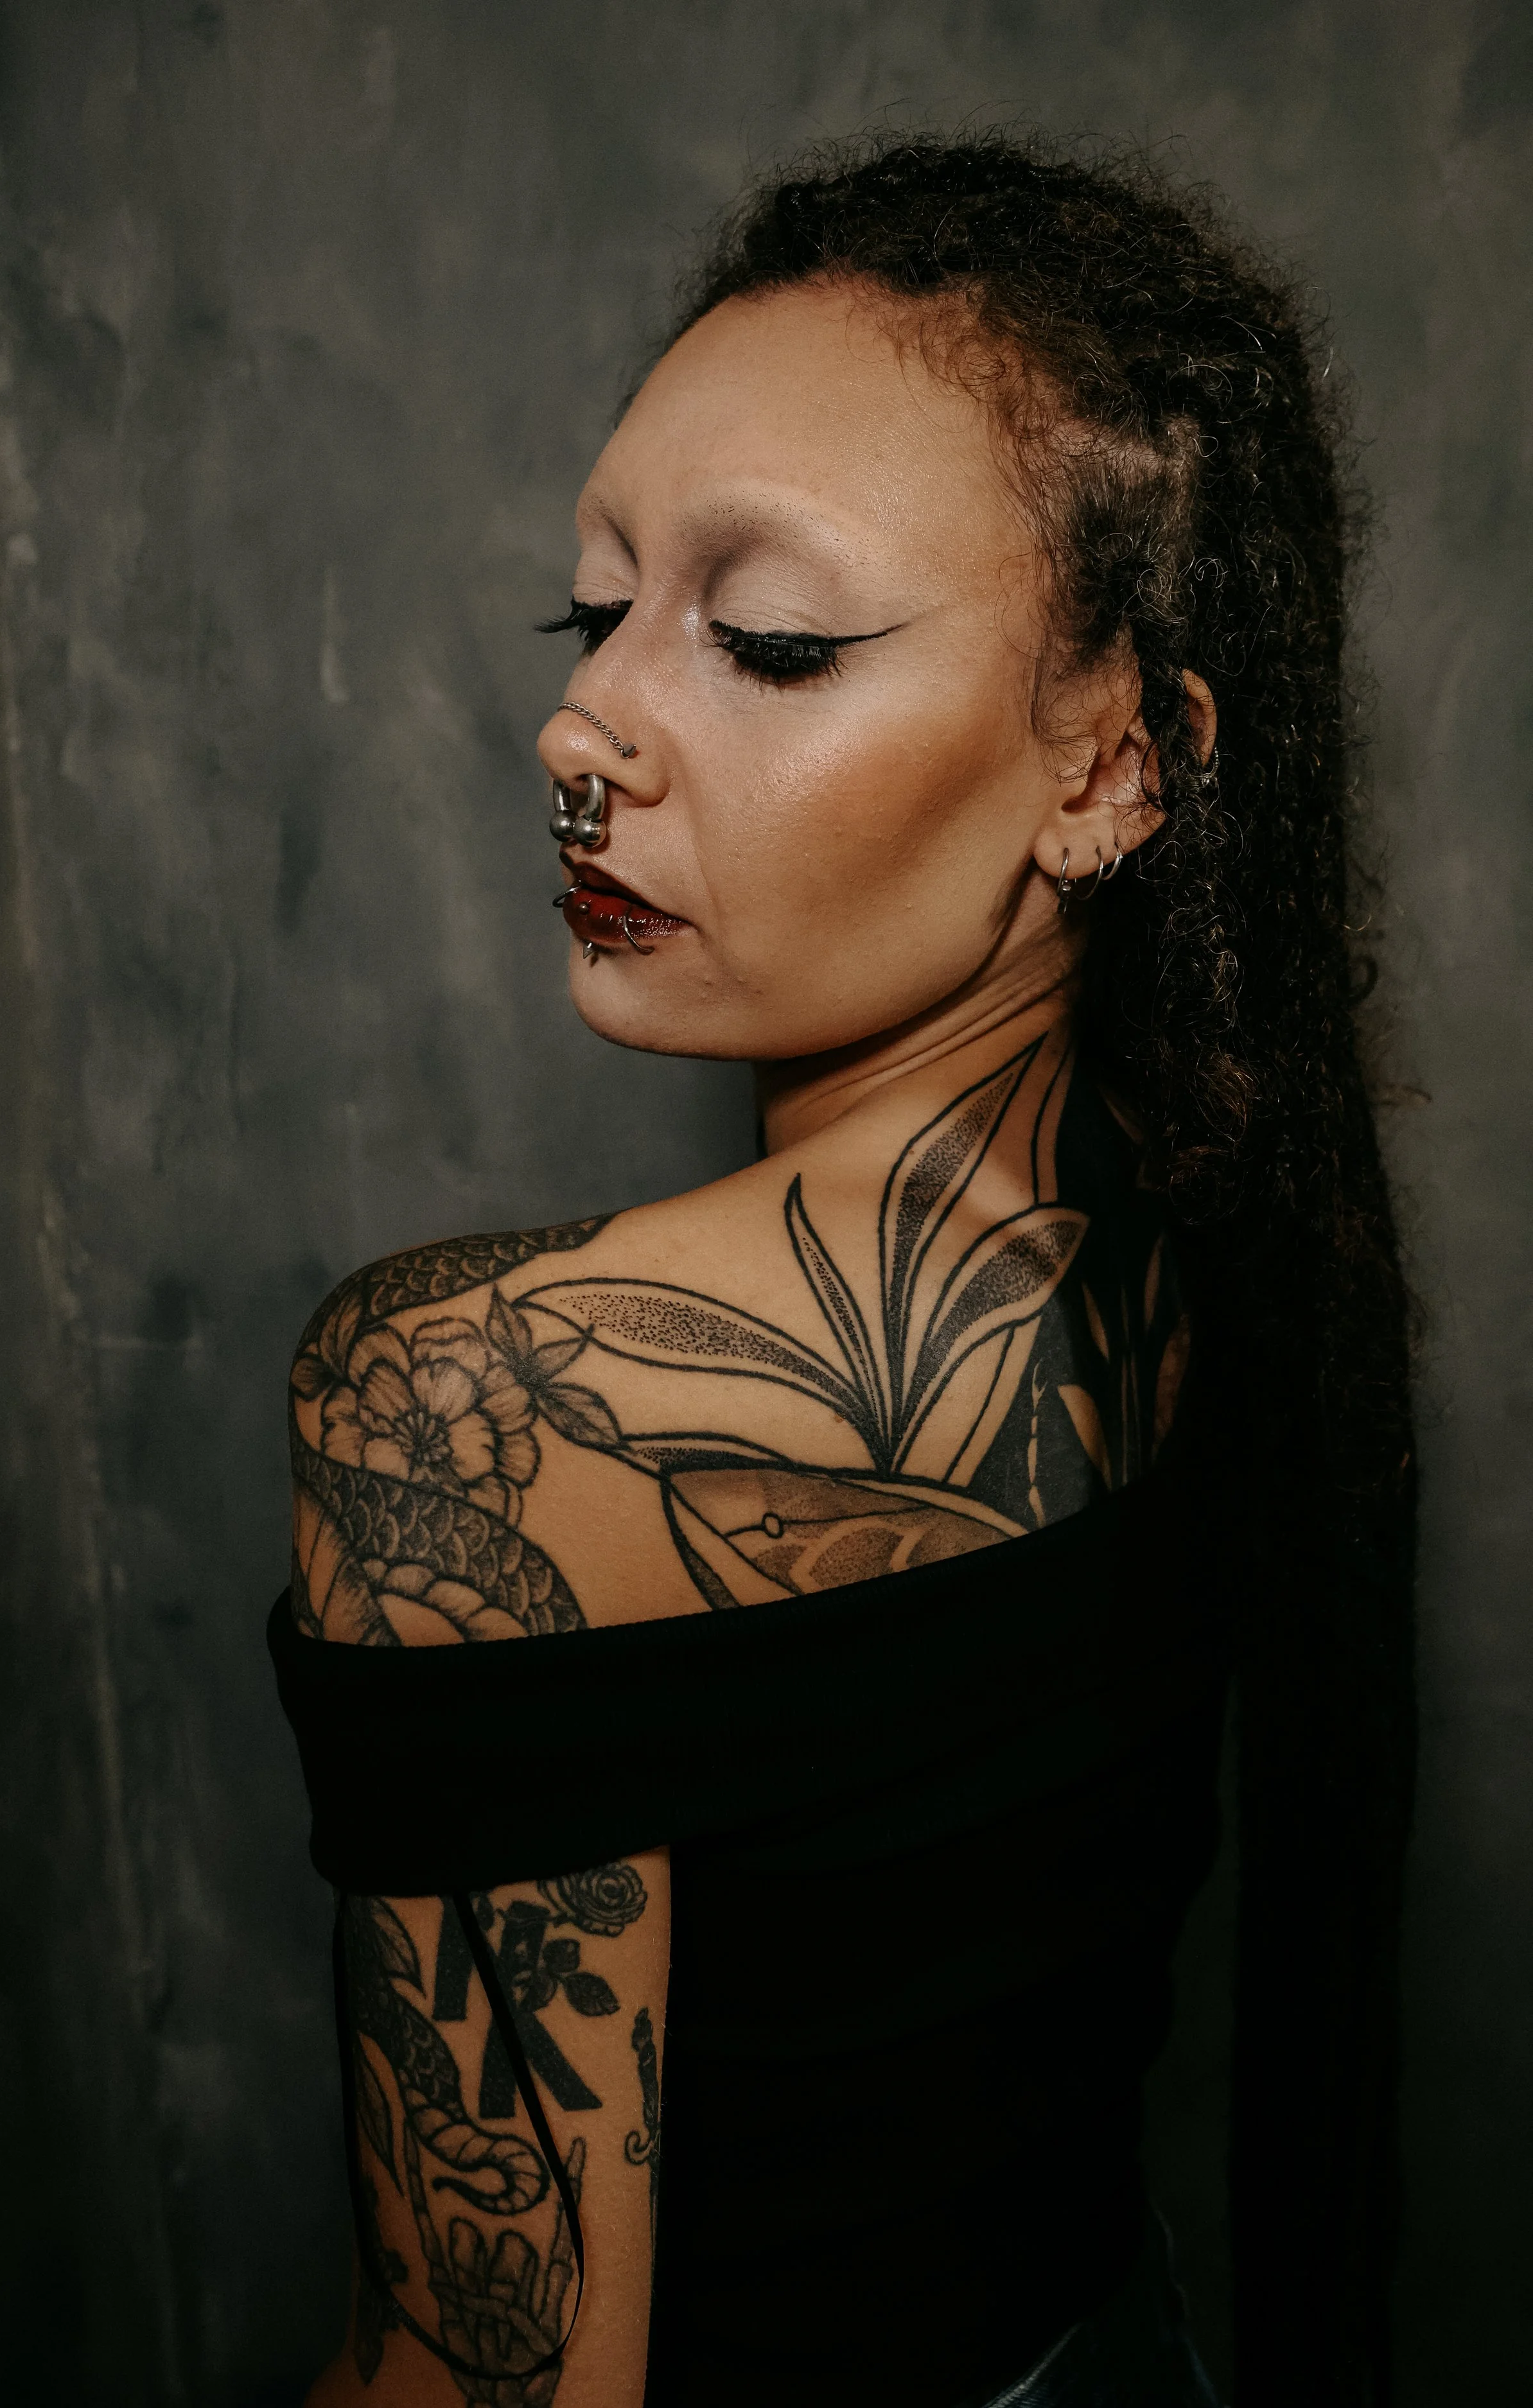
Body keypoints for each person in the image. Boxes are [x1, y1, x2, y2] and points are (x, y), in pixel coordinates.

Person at [272, 134, 1414, 2408]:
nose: (583, 730)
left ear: (1113, 768)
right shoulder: (1217, 1228)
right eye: (591, 612)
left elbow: (489, 2371)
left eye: (768, 638)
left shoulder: (477, 1395)